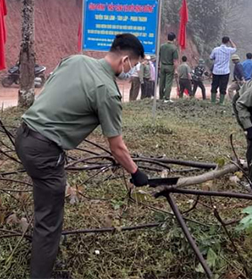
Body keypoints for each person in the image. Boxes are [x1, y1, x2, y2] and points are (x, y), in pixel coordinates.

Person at [16, 33, 150, 279]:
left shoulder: (75, 60)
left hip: (23, 135)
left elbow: (52, 88)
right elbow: (117, 146)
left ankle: (42, 250)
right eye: (134, 65)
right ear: (125, 61)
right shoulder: (107, 91)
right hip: (44, 150)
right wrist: (136, 172)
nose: (132, 70)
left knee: (46, 206)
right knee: (49, 220)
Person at [209, 36, 237, 104]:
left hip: (216, 71)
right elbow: (235, 48)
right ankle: (221, 102)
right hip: (225, 72)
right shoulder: (228, 50)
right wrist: (231, 41)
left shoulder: (216, 49)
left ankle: (213, 101)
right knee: (223, 86)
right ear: (227, 42)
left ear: (221, 41)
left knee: (214, 85)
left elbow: (211, 57)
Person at [159, 33, 179, 102]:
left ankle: (161, 97)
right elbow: (175, 60)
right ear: (174, 39)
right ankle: (166, 98)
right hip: (170, 66)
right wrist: (176, 69)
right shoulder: (174, 48)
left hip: (162, 66)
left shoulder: (162, 46)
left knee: (161, 82)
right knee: (168, 82)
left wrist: (159, 65)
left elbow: (159, 56)